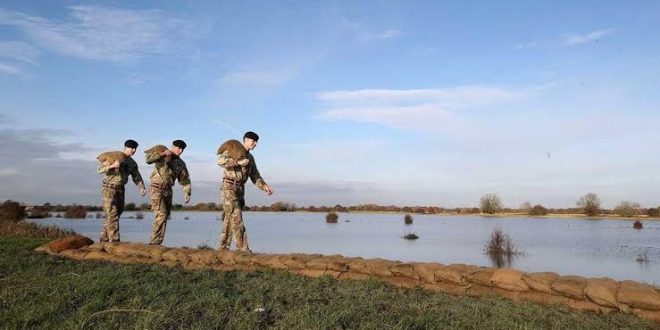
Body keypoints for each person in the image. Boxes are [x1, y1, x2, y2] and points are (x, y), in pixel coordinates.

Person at [217, 131, 273, 251]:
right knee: (236, 217)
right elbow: (220, 161)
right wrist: (237, 161)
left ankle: (223, 248)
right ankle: (243, 249)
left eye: (256, 142)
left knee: (229, 218)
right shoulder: (234, 150)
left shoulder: (250, 158)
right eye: (253, 141)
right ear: (246, 140)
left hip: (240, 189)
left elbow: (255, 175)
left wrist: (264, 186)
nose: (255, 144)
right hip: (229, 187)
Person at [97, 139, 145, 242]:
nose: (133, 150)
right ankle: (115, 241)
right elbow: (99, 170)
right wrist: (112, 166)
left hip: (120, 189)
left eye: (135, 148)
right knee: (112, 215)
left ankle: (103, 239)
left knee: (116, 214)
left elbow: (136, 176)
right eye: (131, 148)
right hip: (108, 188)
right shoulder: (113, 157)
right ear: (125, 147)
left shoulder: (132, 163)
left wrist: (141, 187)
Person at [146, 139, 191, 245]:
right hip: (156, 188)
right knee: (161, 214)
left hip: (168, 190)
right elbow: (148, 160)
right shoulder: (162, 155)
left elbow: (184, 179)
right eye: (179, 148)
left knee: (164, 216)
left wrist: (187, 192)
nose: (180, 151)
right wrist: (162, 154)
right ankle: (153, 243)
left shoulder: (180, 163)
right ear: (173, 146)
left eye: (182, 149)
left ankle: (157, 243)